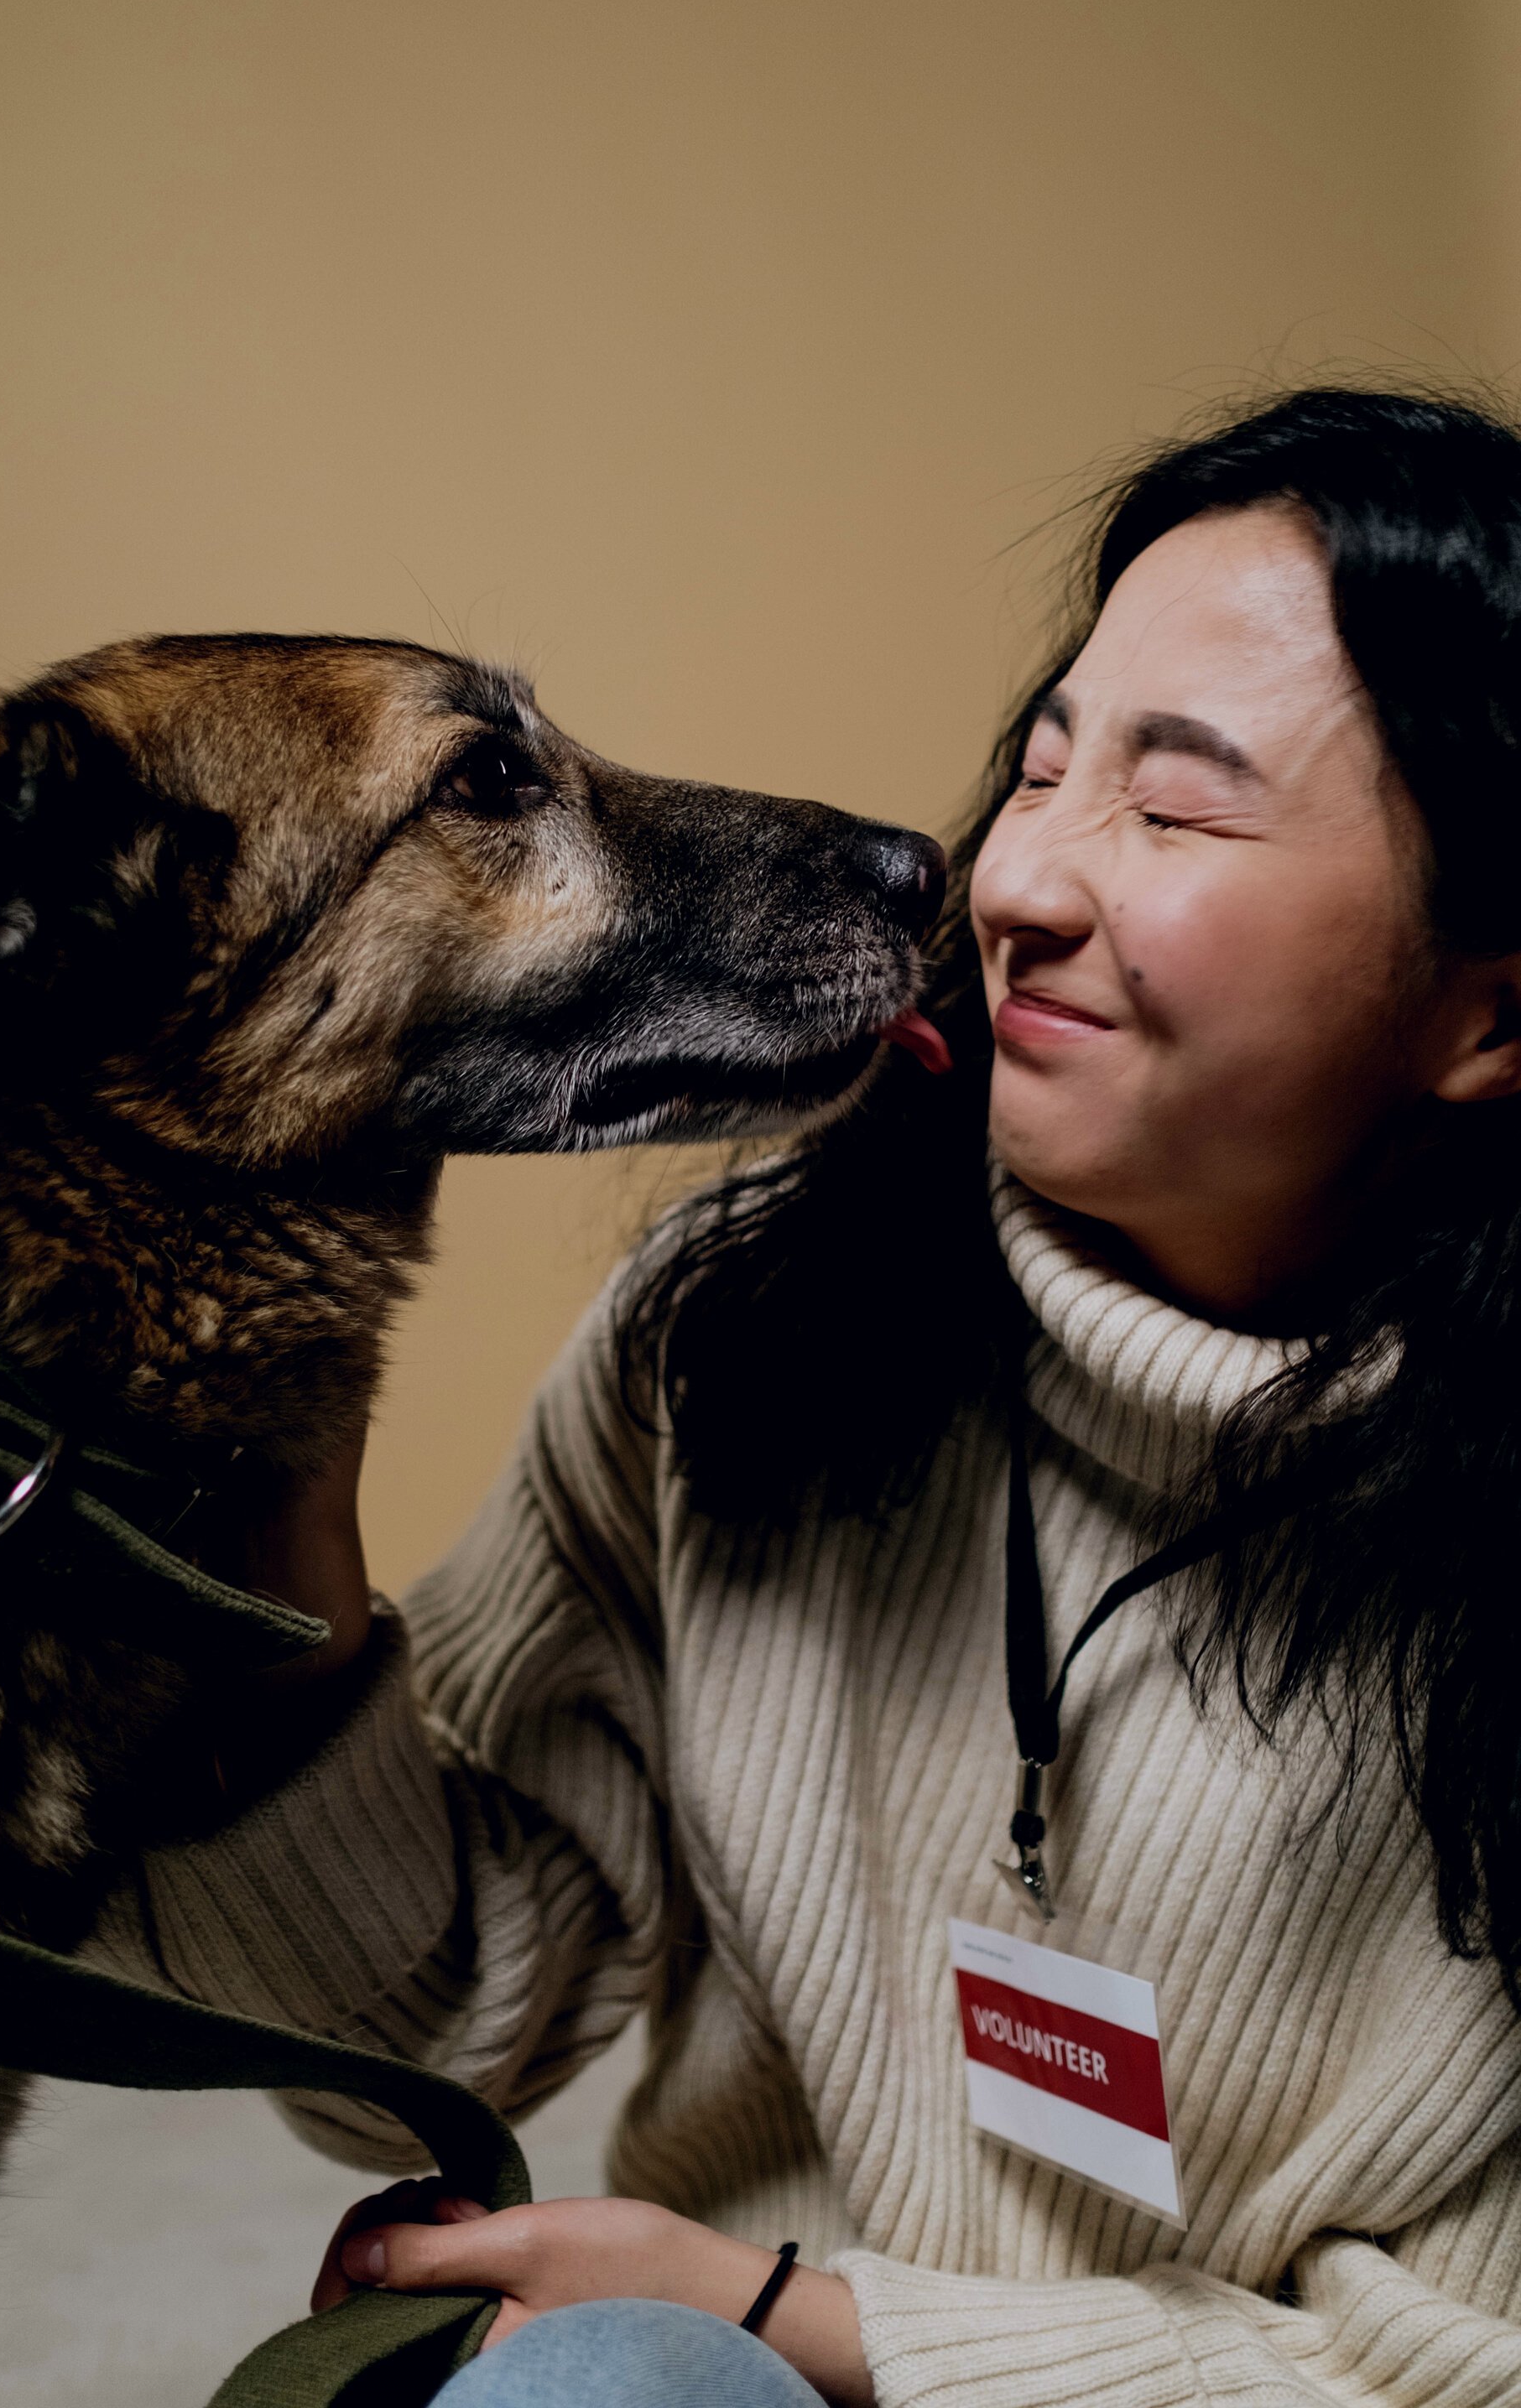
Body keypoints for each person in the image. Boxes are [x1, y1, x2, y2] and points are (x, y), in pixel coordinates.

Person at [98, 387, 1521, 2405]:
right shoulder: (741, 1325)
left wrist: (795, 2315)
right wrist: (271, 1491)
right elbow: (434, 2029)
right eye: (1040, 771)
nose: (1010, 885)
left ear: (1491, 1008)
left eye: (1179, 807)